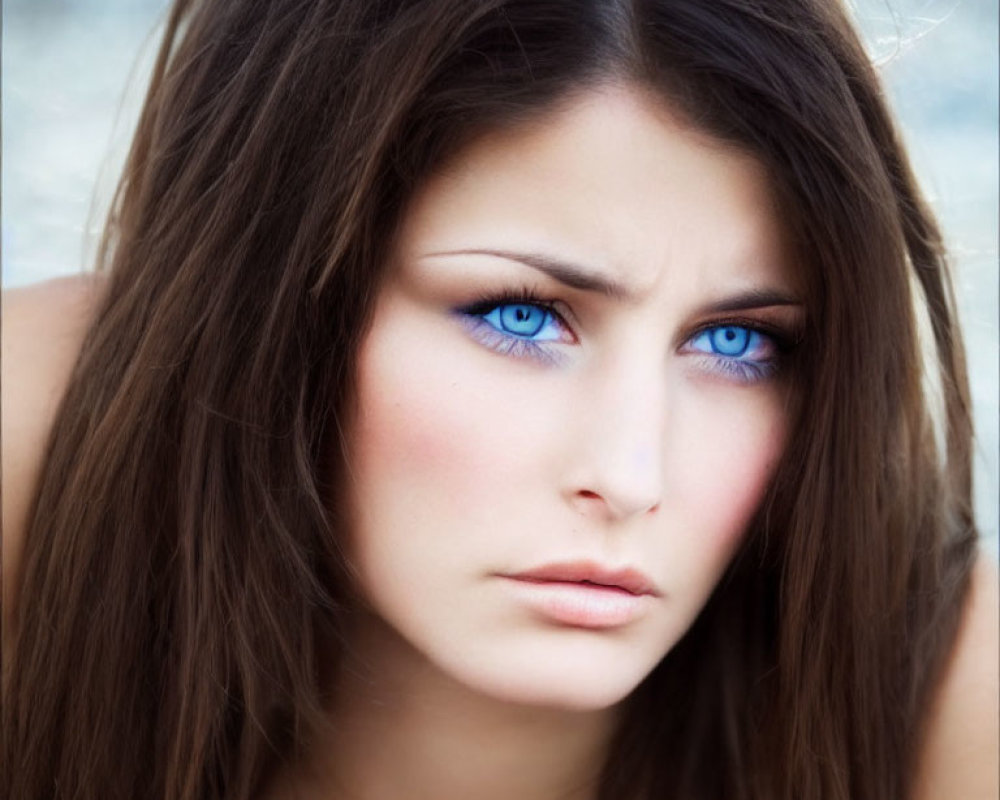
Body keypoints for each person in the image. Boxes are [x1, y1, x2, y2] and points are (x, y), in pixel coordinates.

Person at [2, 1, 996, 798]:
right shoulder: (37, 445)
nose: (627, 475)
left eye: (733, 341)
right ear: (270, 294)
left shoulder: (948, 693)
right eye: (521, 317)